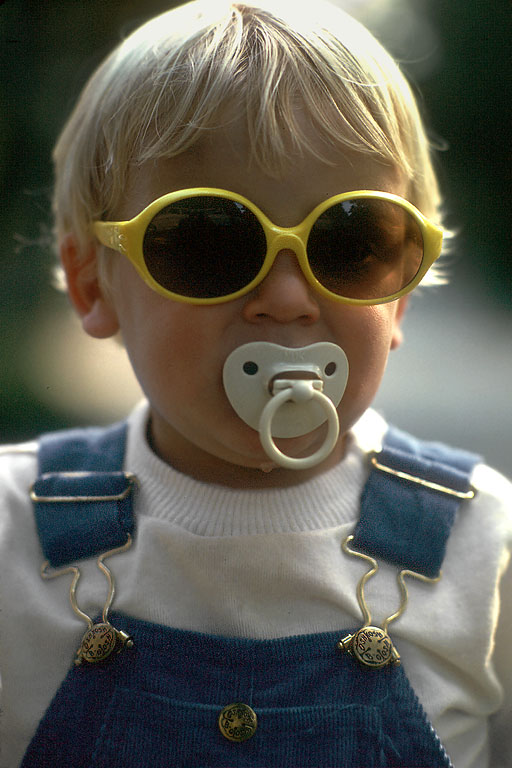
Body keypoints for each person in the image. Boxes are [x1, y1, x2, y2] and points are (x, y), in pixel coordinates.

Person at [0, 1, 510, 766]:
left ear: (401, 292)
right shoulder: (12, 535)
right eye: (208, 240)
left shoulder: (485, 548)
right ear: (92, 284)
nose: (288, 297)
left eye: (352, 240)